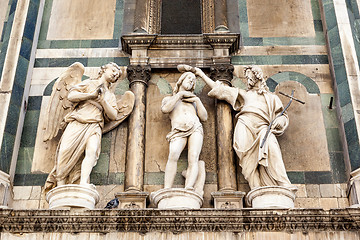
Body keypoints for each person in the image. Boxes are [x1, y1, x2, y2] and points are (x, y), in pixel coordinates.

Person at [193, 65, 293, 189]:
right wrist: (201, 74)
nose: (247, 79)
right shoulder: (244, 94)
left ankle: (282, 184)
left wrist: (280, 120)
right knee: (247, 162)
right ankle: (256, 188)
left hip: (263, 129)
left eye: (250, 76)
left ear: (257, 76)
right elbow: (219, 89)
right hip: (245, 125)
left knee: (272, 150)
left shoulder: (272, 98)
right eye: (246, 77)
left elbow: (282, 116)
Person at [44, 62, 121, 192]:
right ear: (103, 70)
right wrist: (91, 95)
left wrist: (102, 101)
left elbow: (113, 115)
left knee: (92, 150)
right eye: (113, 70)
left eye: (117, 75)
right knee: (65, 151)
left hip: (95, 125)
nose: (115, 74)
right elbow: (71, 96)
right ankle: (60, 184)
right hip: (78, 121)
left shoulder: (110, 96)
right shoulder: (89, 84)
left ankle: (84, 182)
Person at [161, 71, 208, 190]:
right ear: (181, 80)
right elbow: (165, 109)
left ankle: (189, 187)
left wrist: (197, 100)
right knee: (173, 154)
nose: (192, 81)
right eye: (189, 78)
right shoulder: (169, 99)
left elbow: (204, 117)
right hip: (178, 130)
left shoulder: (193, 101)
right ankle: (167, 188)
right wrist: (179, 95)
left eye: (193, 81)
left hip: (195, 127)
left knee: (193, 156)